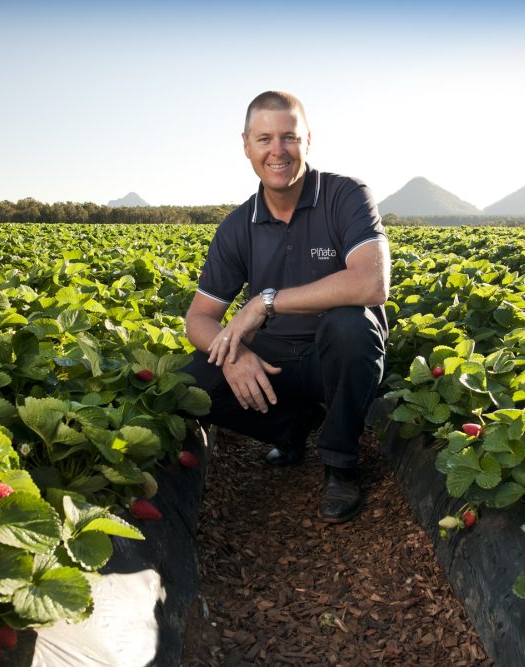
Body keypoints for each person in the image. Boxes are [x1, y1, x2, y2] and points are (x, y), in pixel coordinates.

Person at [183, 90, 390, 523]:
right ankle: (292, 426)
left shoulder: (345, 195)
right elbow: (199, 318)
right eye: (264, 139)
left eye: (289, 138)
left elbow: (372, 283)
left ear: (308, 140)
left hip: (332, 354)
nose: (278, 151)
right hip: (274, 359)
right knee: (186, 385)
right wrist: (235, 356)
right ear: (246, 146)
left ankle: (340, 464)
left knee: (351, 326)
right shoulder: (238, 224)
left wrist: (265, 302)